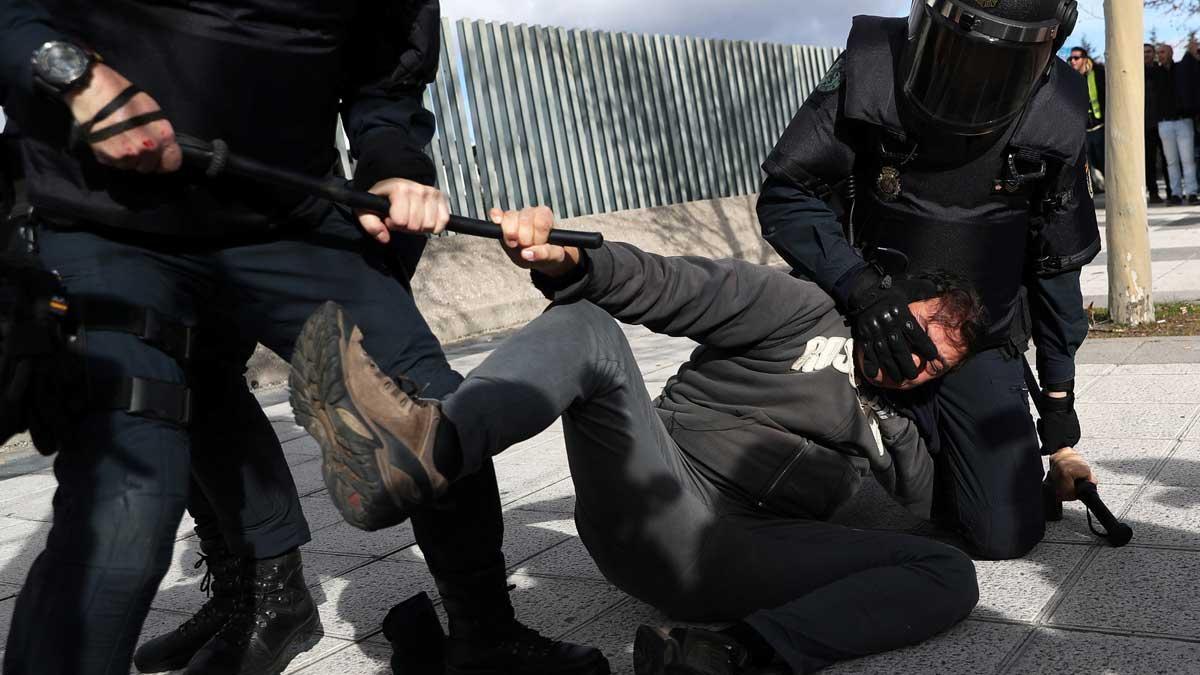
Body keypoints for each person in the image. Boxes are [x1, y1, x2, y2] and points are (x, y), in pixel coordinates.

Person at [0, 3, 605, 675]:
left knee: (430, 410)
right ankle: (262, 595)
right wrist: (70, 73)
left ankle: (486, 635)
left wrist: (394, 164)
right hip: (104, 215)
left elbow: (385, 80)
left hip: (288, 214)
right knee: (128, 500)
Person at [287, 205, 1002, 674]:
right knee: (590, 329)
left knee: (949, 573)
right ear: (890, 302)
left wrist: (1050, 470)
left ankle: (722, 656)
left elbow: (965, 506)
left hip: (741, 562)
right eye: (916, 326)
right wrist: (570, 261)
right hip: (658, 496)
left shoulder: (906, 436)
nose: (916, 355)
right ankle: (421, 456)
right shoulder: (804, 312)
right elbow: (673, 284)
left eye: (936, 358)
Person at [754, 0, 1100, 562]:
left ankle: (951, 462)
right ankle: (907, 450)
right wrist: (859, 287)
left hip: (978, 337)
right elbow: (789, 191)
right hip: (865, 313)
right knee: (787, 497)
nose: (976, 81)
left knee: (1005, 534)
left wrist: (1057, 413)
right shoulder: (871, 65)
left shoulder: (1058, 112)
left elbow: (1056, 267)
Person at [1151, 43, 1200, 205]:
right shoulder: (1155, 72)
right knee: (1171, 161)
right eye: (1158, 53)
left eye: (1163, 52)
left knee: (1188, 159)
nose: (1160, 55)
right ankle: (1176, 194)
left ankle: (1192, 192)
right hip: (1164, 123)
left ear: (1171, 53)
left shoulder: (1181, 70)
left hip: (1183, 121)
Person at [1069, 46, 1105, 185]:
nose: (1073, 61)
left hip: (1099, 127)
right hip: (1082, 130)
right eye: (1071, 58)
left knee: (1103, 161)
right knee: (1086, 166)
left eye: (1076, 58)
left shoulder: (1098, 73)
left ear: (1085, 59)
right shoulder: (1071, 78)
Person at [1146, 42, 1171, 204]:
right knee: (1149, 161)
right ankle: (1153, 193)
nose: (1146, 55)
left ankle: (1171, 191)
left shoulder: (1160, 71)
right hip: (1145, 124)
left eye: (1149, 52)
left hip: (1162, 121)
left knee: (1168, 159)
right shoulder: (1135, 73)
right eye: (1143, 52)